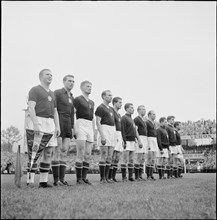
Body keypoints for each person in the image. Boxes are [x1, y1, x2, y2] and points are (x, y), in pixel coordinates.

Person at [27, 69, 60, 188]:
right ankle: (30, 181)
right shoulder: (35, 89)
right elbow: (31, 107)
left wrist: (57, 126)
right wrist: (35, 124)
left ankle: (43, 182)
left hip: (50, 123)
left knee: (49, 152)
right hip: (39, 120)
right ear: (40, 77)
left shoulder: (52, 93)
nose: (50, 76)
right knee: (34, 153)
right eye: (47, 74)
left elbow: (55, 111)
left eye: (51, 74)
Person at [52, 75, 75, 186]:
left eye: (73, 81)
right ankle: (56, 180)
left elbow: (72, 114)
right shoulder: (57, 92)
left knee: (64, 151)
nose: (71, 83)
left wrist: (73, 127)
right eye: (69, 81)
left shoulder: (71, 96)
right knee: (58, 150)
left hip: (68, 124)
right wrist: (56, 125)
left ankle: (62, 179)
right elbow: (53, 108)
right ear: (64, 81)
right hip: (59, 122)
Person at [73, 81, 95, 185]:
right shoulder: (77, 99)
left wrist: (94, 130)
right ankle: (79, 179)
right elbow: (72, 113)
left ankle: (84, 178)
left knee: (88, 153)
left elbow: (93, 118)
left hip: (89, 125)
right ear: (82, 88)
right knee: (80, 152)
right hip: (80, 123)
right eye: (87, 86)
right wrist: (74, 128)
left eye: (90, 86)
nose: (89, 88)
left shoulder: (92, 102)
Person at [95, 90, 116, 184]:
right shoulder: (100, 107)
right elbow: (98, 122)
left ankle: (107, 178)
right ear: (103, 96)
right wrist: (102, 135)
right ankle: (102, 178)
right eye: (108, 95)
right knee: (104, 154)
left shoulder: (111, 109)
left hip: (112, 131)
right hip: (104, 130)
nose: (110, 97)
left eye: (111, 95)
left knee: (110, 156)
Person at [121, 103, 142, 182]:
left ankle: (130, 176)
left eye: (133, 108)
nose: (133, 109)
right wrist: (124, 140)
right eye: (131, 108)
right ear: (126, 109)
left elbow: (135, 131)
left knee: (131, 159)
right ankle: (124, 177)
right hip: (127, 140)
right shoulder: (124, 118)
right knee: (124, 159)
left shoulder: (132, 119)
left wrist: (138, 140)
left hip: (133, 141)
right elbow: (122, 130)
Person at [108, 97, 124, 182]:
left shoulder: (119, 115)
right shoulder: (111, 111)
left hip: (119, 134)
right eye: (119, 102)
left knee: (117, 157)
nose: (121, 104)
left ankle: (113, 176)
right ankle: (108, 176)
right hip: (113, 133)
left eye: (121, 102)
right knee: (112, 156)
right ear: (114, 103)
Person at [134, 105, 148, 181]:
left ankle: (140, 175)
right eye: (142, 109)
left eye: (145, 109)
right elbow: (135, 130)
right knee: (138, 157)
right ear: (138, 110)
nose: (144, 111)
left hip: (145, 138)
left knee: (142, 158)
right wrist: (139, 140)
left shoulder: (144, 120)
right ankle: (136, 176)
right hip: (140, 138)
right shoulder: (137, 119)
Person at [146, 110, 158, 180]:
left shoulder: (154, 123)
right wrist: (148, 143)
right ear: (149, 115)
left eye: (155, 114)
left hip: (154, 139)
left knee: (153, 159)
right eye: (153, 114)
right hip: (149, 139)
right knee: (149, 158)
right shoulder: (147, 122)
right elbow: (146, 132)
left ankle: (151, 174)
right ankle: (148, 175)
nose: (154, 116)